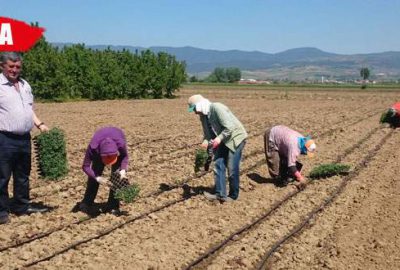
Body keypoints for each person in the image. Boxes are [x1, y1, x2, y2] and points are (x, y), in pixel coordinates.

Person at [0, 52, 50, 225]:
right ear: (2, 66)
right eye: (11, 66)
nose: (15, 70)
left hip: (24, 139)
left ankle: (21, 207)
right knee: (2, 176)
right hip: (4, 138)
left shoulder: (24, 85)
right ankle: (1, 212)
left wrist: (40, 124)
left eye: (18, 67)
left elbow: (29, 109)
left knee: (22, 175)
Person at [188, 94, 247, 202]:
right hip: (222, 140)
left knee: (232, 168)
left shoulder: (216, 108)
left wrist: (218, 139)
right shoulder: (203, 117)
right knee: (218, 164)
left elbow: (230, 127)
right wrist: (204, 143)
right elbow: (208, 135)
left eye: (195, 109)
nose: (195, 112)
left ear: (200, 105)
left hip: (235, 138)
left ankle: (233, 196)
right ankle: (220, 194)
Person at [79, 127, 129, 216]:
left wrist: (123, 170)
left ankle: (113, 206)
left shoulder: (120, 144)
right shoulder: (93, 147)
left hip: (116, 139)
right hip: (99, 149)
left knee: (117, 176)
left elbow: (125, 156)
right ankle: (87, 202)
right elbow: (85, 166)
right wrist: (97, 178)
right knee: (95, 172)